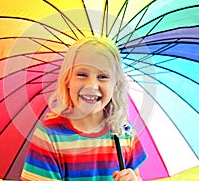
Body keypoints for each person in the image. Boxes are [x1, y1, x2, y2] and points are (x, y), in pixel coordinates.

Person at [21, 36, 147, 181]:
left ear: (115, 84)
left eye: (103, 76)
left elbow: (136, 175)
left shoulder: (123, 132)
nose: (91, 85)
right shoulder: (49, 137)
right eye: (82, 74)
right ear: (67, 80)